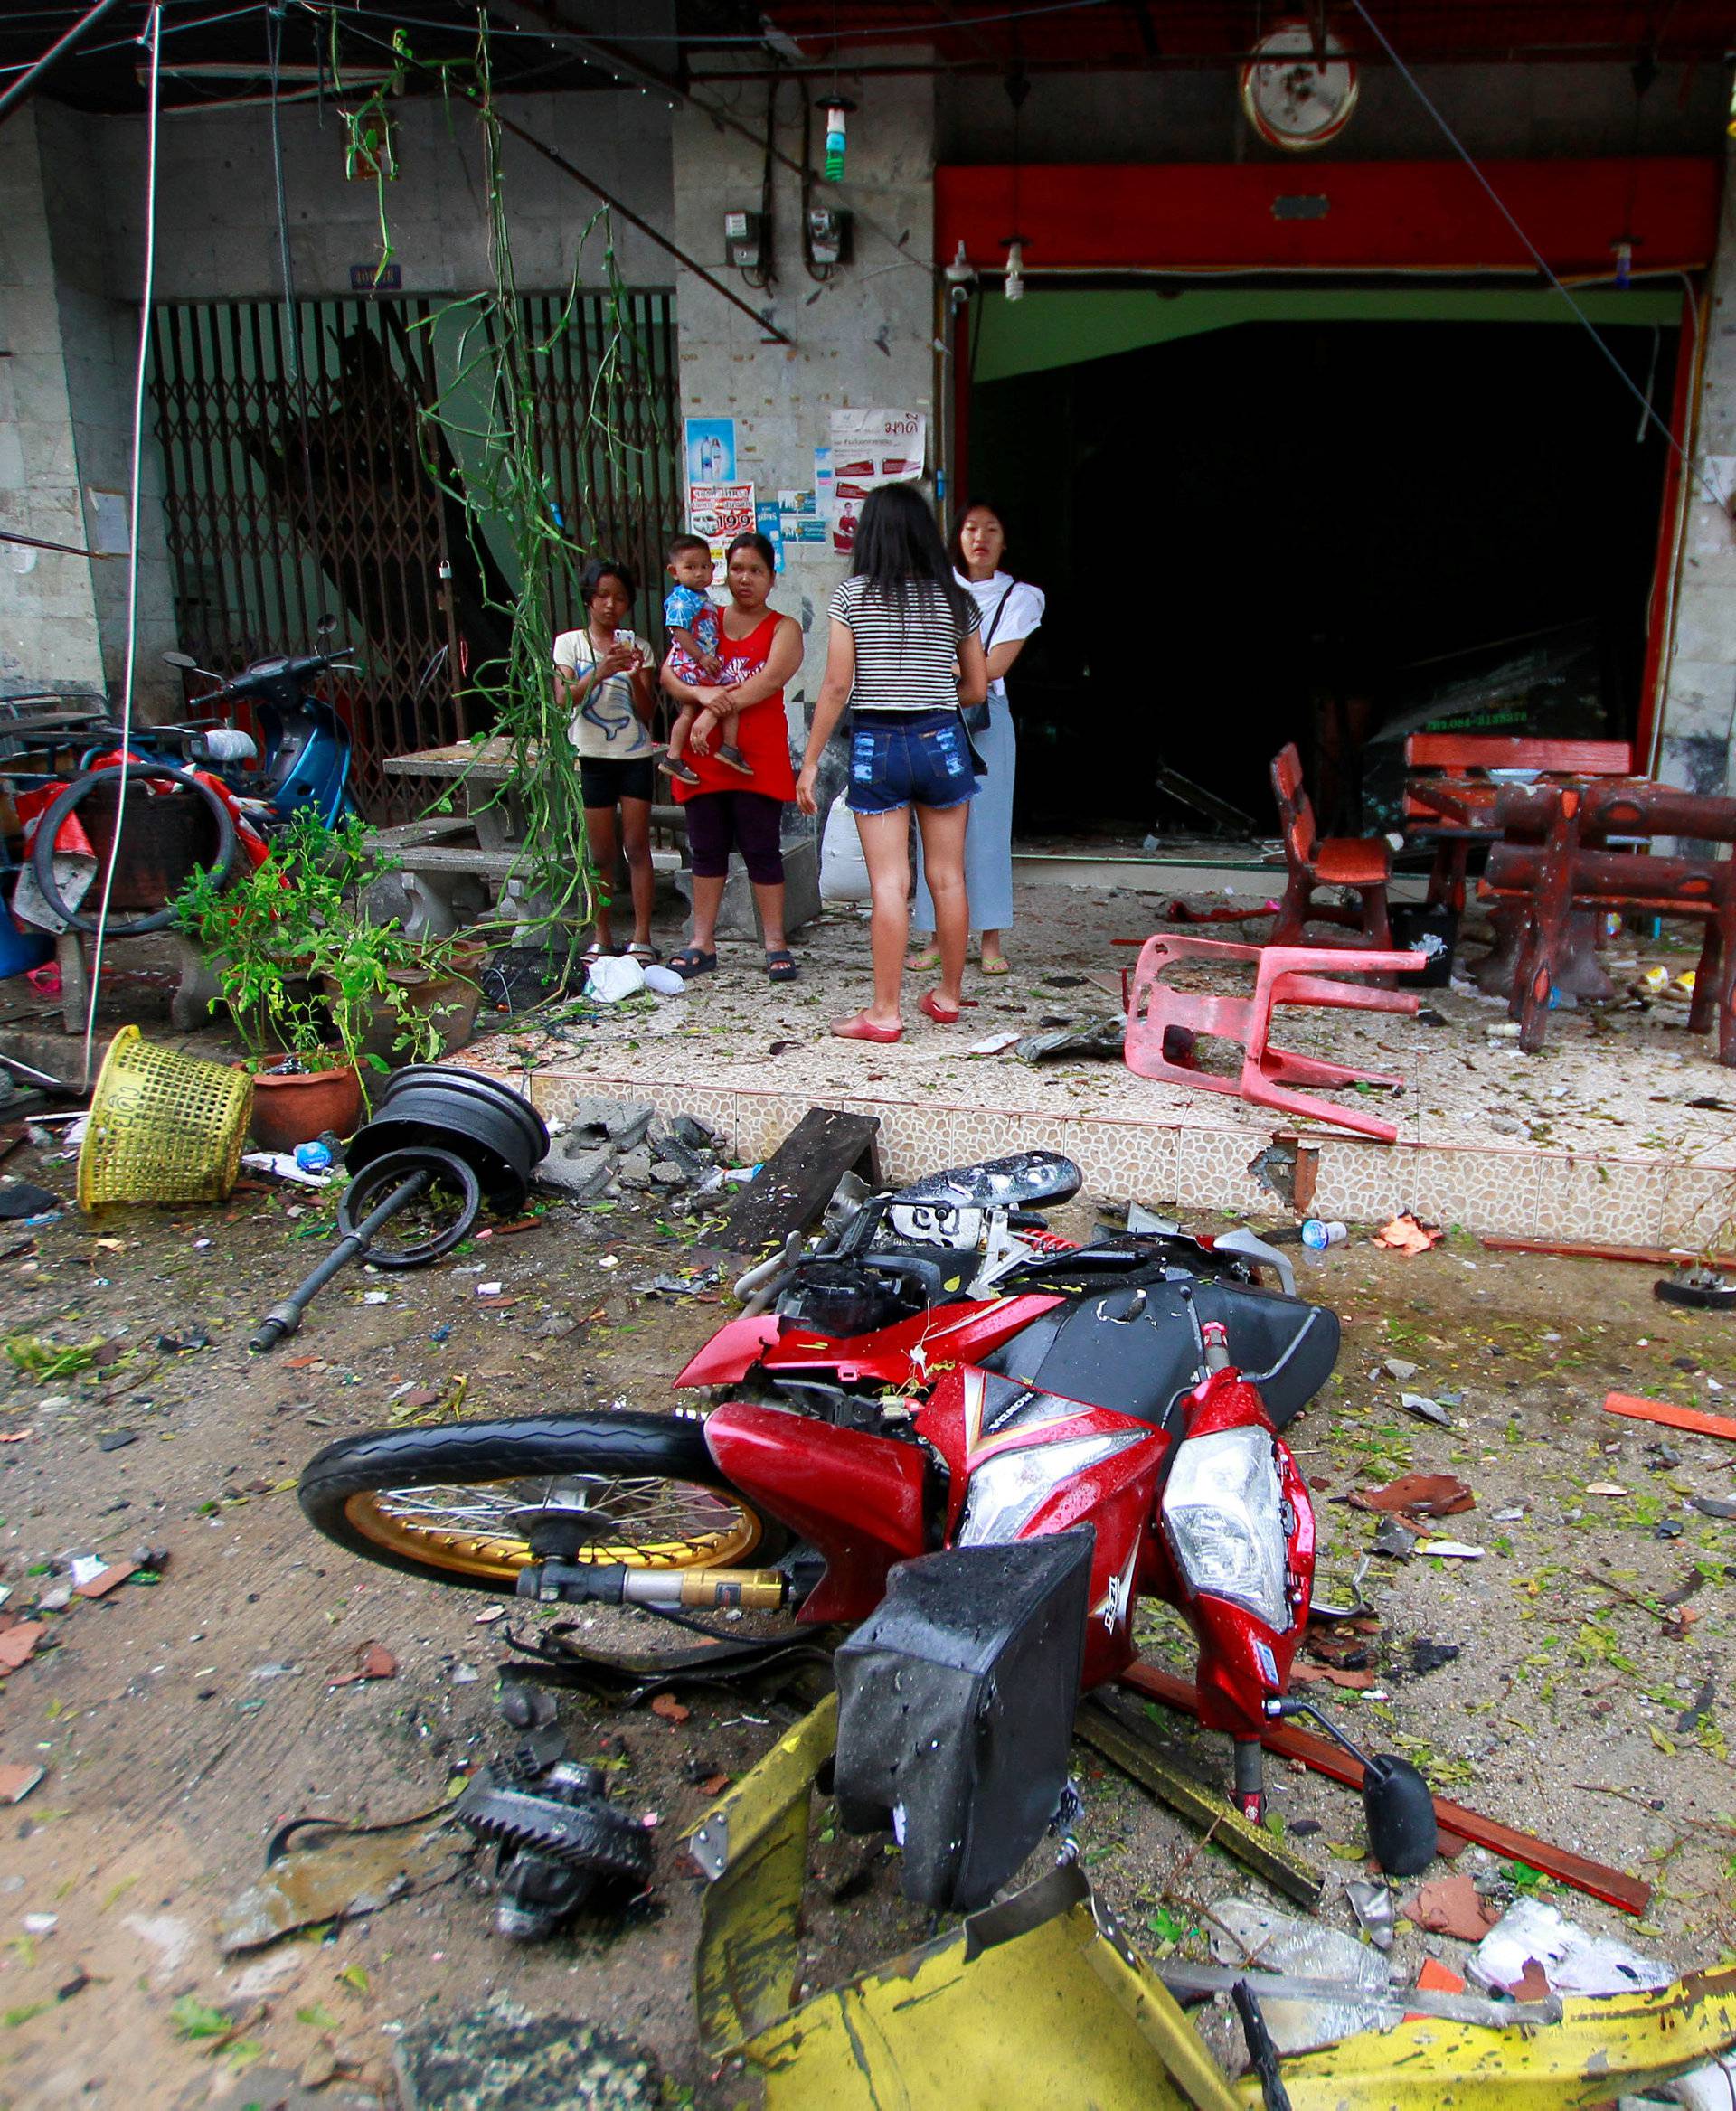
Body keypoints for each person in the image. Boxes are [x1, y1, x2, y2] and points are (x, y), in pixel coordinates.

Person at [795, 482, 988, 1041]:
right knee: (948, 877)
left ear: (869, 533)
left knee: (888, 882)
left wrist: (809, 764)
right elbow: (976, 688)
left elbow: (835, 686)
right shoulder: (957, 600)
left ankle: (884, 1013)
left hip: (876, 745)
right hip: (942, 741)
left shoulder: (851, 596)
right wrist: (934, 679)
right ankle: (948, 996)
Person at [661, 532, 805, 983]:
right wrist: (703, 697)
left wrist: (710, 713)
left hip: (755, 755)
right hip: (704, 758)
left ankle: (775, 942)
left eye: (756, 571)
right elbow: (669, 672)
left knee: (763, 849)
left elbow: (766, 682)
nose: (745, 579)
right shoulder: (705, 616)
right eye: (737, 569)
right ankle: (702, 942)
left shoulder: (784, 628)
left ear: (771, 578)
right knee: (705, 849)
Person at [910, 500, 1044, 977]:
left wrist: (939, 670)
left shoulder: (1022, 597)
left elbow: (992, 670)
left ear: (1004, 541)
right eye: (970, 528)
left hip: (987, 718)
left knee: (987, 828)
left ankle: (990, 940)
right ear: (957, 537)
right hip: (935, 714)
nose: (979, 537)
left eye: (991, 528)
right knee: (934, 827)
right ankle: (933, 937)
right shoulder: (933, 588)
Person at [552, 557, 660, 966]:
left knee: (637, 846)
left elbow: (647, 712)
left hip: (633, 756)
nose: (610, 605)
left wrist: (633, 674)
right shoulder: (570, 644)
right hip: (590, 757)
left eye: (619, 598)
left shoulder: (641, 647)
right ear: (589, 600)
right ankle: (601, 934)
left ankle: (642, 936)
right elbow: (563, 700)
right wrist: (600, 670)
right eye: (602, 596)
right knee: (600, 854)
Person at [659, 532, 751, 787]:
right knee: (731, 692)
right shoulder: (682, 598)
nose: (699, 573)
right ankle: (730, 748)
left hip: (692, 663)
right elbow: (678, 631)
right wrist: (701, 658)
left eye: (704, 566)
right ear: (674, 571)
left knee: (688, 711)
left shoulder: (699, 597)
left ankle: (673, 756)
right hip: (692, 664)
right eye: (690, 567)